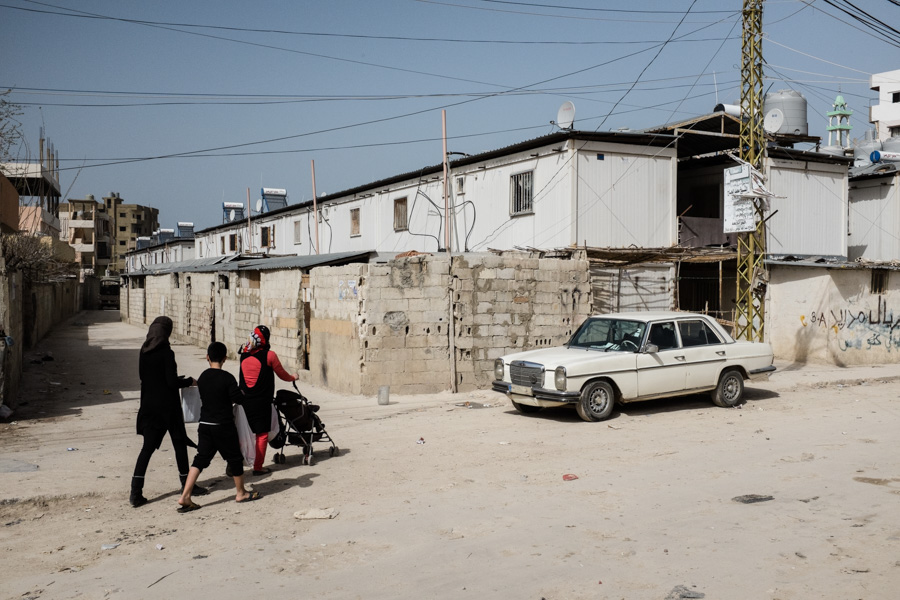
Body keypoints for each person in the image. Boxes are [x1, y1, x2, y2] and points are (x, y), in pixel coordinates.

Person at [130, 316, 208, 508]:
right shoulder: (166, 353)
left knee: (147, 449)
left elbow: (146, 377)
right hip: (168, 408)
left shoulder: (144, 351)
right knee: (179, 444)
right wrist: (188, 381)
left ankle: (135, 492)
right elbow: (171, 382)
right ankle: (187, 485)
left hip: (149, 406)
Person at [178, 342, 260, 512]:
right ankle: (241, 493)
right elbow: (238, 399)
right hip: (223, 426)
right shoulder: (227, 378)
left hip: (205, 425)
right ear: (225, 358)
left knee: (200, 459)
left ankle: (185, 495)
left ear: (207, 357)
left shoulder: (203, 377)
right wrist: (241, 394)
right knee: (235, 458)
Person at [238, 325, 298, 475]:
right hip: (262, 403)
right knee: (262, 434)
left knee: (244, 433)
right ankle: (258, 467)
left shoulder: (243, 355)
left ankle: (236, 463)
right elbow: (282, 374)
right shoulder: (270, 356)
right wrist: (293, 377)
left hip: (244, 402)